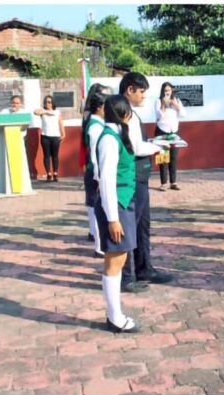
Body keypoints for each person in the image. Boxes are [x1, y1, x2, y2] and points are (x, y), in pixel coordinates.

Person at [119, 72, 171, 293]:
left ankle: (144, 268)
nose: (143, 97)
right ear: (130, 89)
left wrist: (154, 143)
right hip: (132, 176)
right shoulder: (124, 112)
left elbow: (139, 142)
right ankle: (126, 276)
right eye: (141, 92)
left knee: (142, 225)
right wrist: (158, 147)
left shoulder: (131, 112)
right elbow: (136, 147)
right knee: (129, 227)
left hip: (140, 176)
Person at [95, 95, 140, 333]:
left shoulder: (117, 134)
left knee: (120, 258)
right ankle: (114, 317)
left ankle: (115, 314)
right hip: (116, 205)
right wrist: (112, 218)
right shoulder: (108, 139)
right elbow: (106, 181)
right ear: (124, 113)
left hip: (123, 202)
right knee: (114, 260)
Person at [82, 91, 109, 257]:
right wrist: (98, 176)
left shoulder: (96, 123)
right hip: (95, 171)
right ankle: (99, 247)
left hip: (94, 171)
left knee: (95, 207)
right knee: (98, 209)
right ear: (99, 107)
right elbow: (94, 154)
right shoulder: (95, 127)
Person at [154, 82, 186, 191]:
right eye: (165, 90)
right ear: (162, 91)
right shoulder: (158, 101)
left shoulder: (176, 100)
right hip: (162, 132)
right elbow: (159, 116)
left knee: (173, 158)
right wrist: (163, 104)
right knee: (163, 158)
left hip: (174, 132)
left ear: (172, 91)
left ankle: (173, 182)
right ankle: (163, 183)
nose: (167, 92)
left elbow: (183, 115)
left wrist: (176, 106)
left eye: (169, 90)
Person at [34, 95, 65, 182]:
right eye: (46, 102)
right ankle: (48, 173)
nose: (48, 104)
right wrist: (45, 112)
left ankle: (55, 173)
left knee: (55, 155)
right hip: (45, 136)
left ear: (53, 103)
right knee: (46, 155)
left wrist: (63, 134)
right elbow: (35, 112)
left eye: (50, 102)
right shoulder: (42, 111)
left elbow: (60, 123)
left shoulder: (57, 112)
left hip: (55, 136)